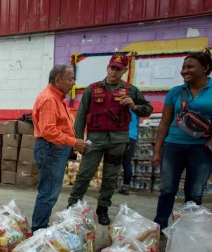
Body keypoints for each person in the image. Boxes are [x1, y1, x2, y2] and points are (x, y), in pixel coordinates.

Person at [152, 52, 212, 229]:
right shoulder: (176, 92)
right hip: (173, 146)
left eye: (190, 67)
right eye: (183, 68)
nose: (184, 71)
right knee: (167, 190)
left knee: (195, 192)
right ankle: (159, 226)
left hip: (203, 149)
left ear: (205, 68)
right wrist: (157, 151)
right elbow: (164, 122)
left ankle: (189, 230)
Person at [68, 53, 153, 225]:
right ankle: (72, 206)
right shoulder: (92, 89)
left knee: (110, 177)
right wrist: (77, 140)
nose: (114, 72)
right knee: (84, 174)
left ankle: (103, 209)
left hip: (118, 141)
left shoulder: (131, 90)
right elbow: (81, 116)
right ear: (107, 68)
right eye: (112, 68)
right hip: (95, 140)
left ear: (124, 71)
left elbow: (148, 109)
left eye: (118, 69)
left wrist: (134, 105)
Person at [31, 65, 88, 232]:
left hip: (56, 148)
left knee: (50, 192)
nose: (73, 83)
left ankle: (40, 227)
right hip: (51, 148)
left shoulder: (57, 98)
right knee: (48, 194)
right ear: (58, 80)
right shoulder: (49, 99)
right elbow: (49, 131)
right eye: (70, 79)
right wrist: (73, 142)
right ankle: (38, 230)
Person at [118, 111, 140, 195]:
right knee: (127, 163)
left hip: (120, 137)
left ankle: (108, 186)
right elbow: (137, 124)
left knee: (113, 161)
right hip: (132, 138)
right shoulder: (136, 108)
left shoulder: (119, 106)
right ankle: (125, 188)